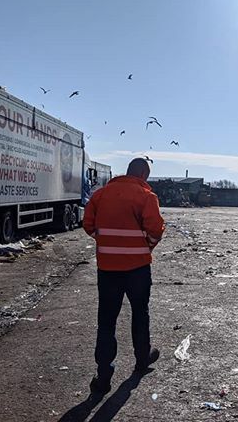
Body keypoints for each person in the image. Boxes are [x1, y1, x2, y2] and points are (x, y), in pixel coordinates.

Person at [83, 158, 165, 394]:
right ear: (143, 174)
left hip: (108, 268)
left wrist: (109, 243)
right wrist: (144, 246)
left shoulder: (100, 195)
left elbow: (88, 225)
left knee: (107, 320)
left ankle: (104, 373)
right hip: (138, 268)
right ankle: (142, 360)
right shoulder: (146, 197)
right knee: (140, 313)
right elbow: (156, 230)